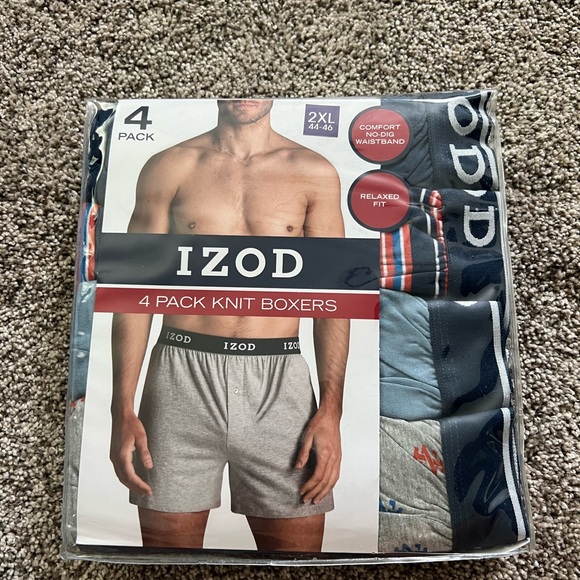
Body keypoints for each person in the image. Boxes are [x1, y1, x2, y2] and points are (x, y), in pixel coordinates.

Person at [109, 99, 350, 552]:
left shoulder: (313, 171)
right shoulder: (170, 166)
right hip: (180, 376)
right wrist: (120, 408)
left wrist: (332, 411)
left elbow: (334, 299)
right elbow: (134, 291)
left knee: (296, 567)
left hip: (280, 383)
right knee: (169, 566)